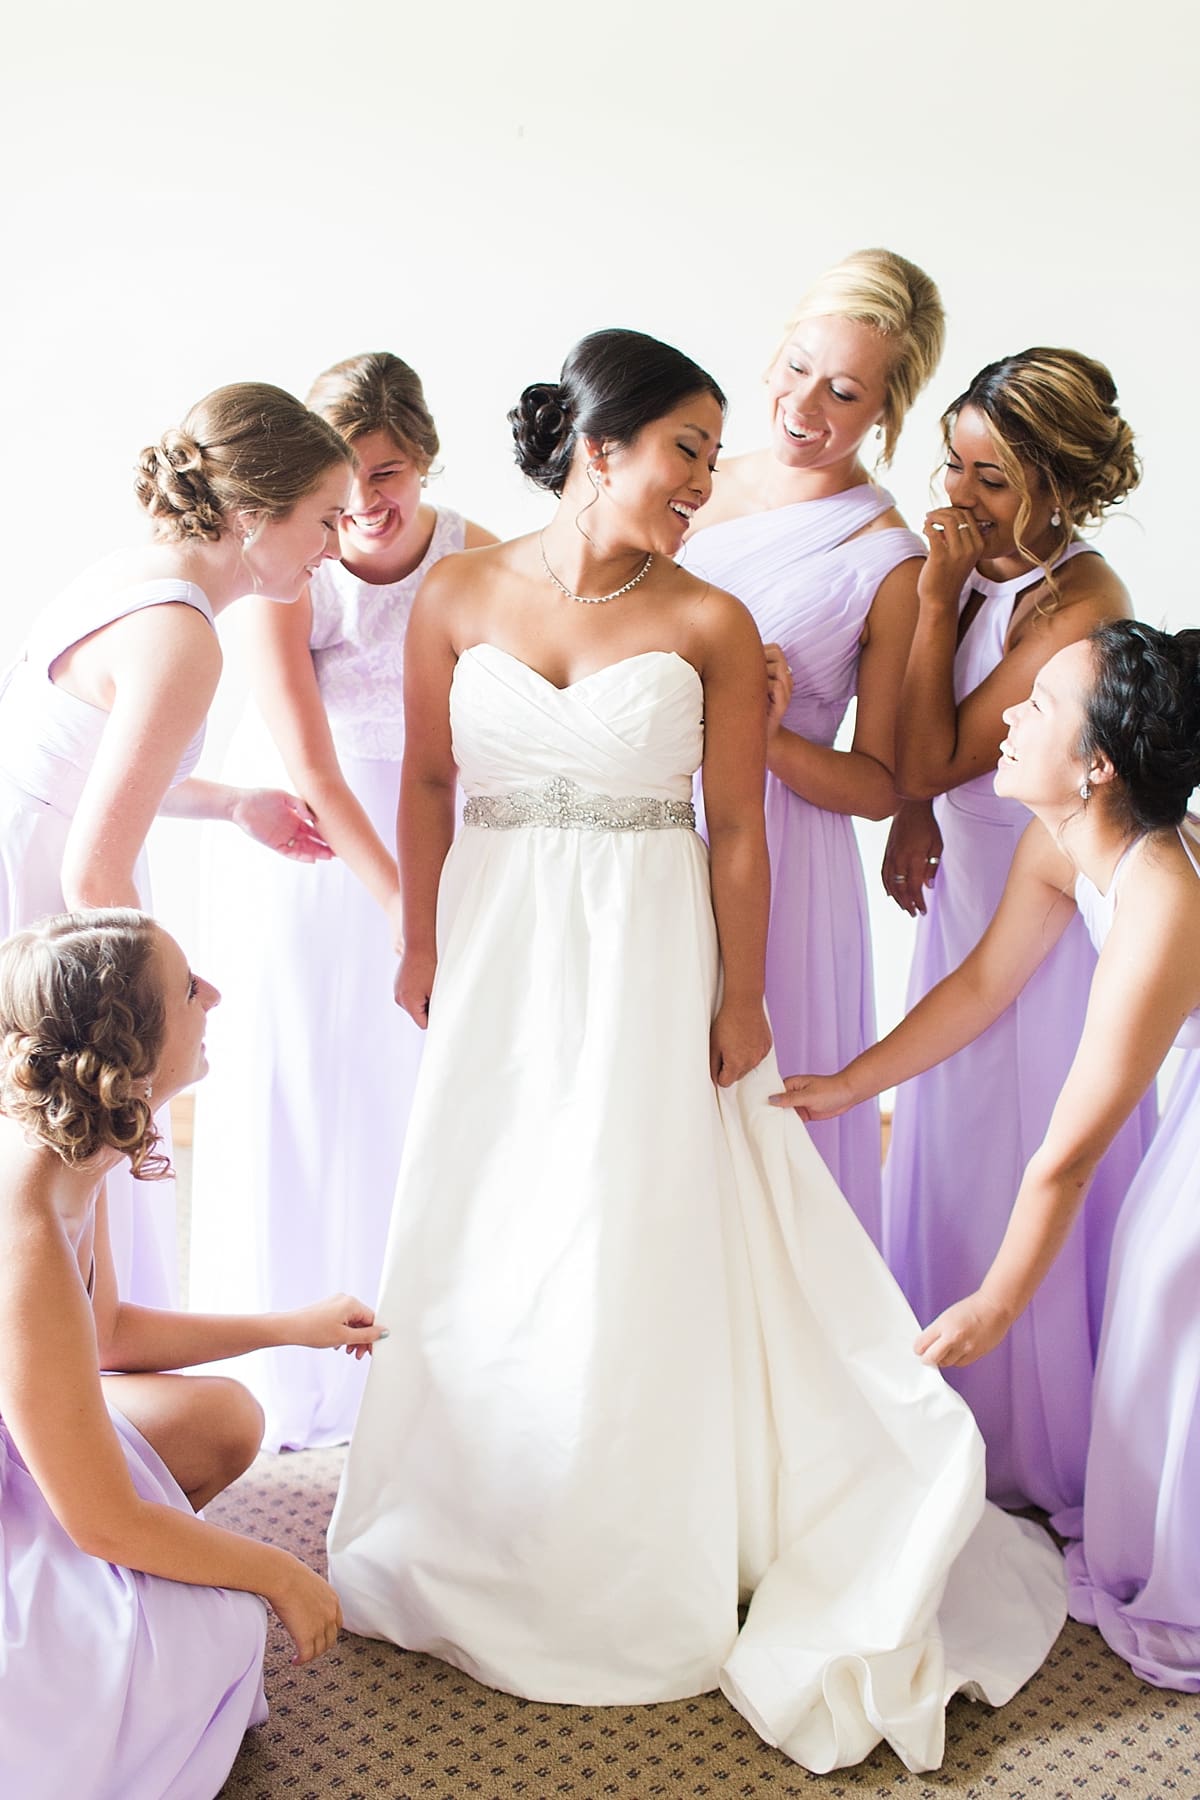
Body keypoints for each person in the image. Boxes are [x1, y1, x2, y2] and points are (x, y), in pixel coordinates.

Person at [327, 329, 1066, 1776]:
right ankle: (477, 1507)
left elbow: (736, 831)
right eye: (686, 449)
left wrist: (743, 1000)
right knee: (493, 1200)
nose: (704, 480)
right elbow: (424, 777)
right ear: (598, 447)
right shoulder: (456, 593)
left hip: (649, 948)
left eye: (713, 457)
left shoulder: (712, 622)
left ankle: (634, 1515)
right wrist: (417, 937)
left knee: (625, 1207)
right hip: (497, 939)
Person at [775, 621, 1200, 1690]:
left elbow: (1068, 1155)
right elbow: (979, 986)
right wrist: (850, 1084)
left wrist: (998, 1304)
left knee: (1168, 1307)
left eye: (1041, 704)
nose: (1006, 714)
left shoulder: (1163, 897)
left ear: (1098, 766)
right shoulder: (1059, 845)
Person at [0, 909, 385, 1800]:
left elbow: (102, 1337)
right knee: (208, 1633)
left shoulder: (78, 1149)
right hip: (48, 1486)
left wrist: (290, 1325)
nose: (212, 995)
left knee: (224, 1418)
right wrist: (279, 1572)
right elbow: (101, 1522)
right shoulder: (26, 1224)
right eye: (186, 989)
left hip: (25, 1433)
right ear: (129, 1048)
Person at [190, 352, 495, 1451]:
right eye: (348, 478)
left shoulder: (479, 558)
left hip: (435, 827)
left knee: (413, 1096)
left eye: (391, 472)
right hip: (313, 854)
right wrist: (408, 915)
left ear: (426, 459)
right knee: (310, 1083)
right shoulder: (291, 567)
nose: (367, 501)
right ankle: (297, 1366)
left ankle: (421, 1364)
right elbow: (312, 765)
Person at [0, 382, 352, 1308]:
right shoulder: (184, 638)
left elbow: (89, 773)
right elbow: (93, 870)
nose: (332, 547)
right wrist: (163, 1004)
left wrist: (233, 804)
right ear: (253, 515)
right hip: (54, 906)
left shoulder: (127, 577)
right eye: (324, 519)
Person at [879, 348, 1156, 1515]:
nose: (959, 495)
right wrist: (912, 813)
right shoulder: (976, 564)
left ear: (1059, 485)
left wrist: (934, 599)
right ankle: (942, 1412)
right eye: (952, 465)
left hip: (1039, 917)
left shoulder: (1081, 604)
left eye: (991, 479)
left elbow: (935, 753)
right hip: (964, 890)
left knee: (1025, 1148)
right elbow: (919, 756)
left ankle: (1036, 1445)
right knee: (948, 1144)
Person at [685, 248, 943, 1240]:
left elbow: (880, 785)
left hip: (786, 854)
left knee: (759, 1125)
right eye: (797, 367)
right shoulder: (694, 478)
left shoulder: (887, 559)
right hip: (656, 814)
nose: (803, 405)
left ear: (885, 411)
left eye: (843, 391)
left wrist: (767, 738)